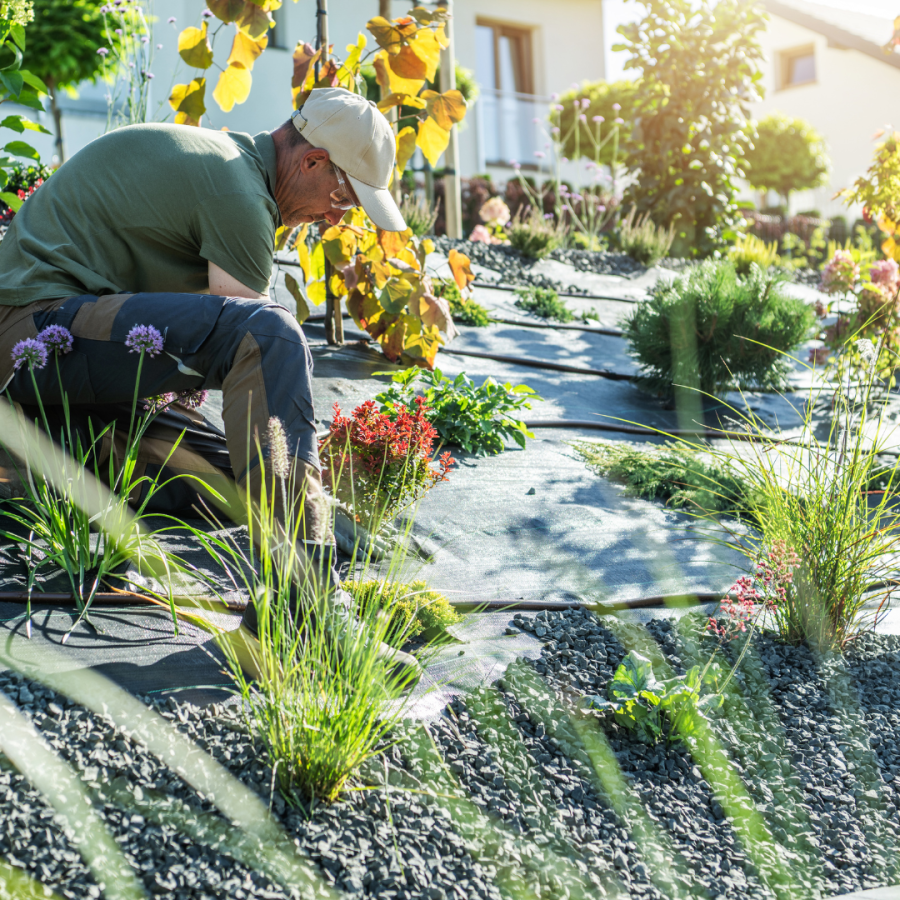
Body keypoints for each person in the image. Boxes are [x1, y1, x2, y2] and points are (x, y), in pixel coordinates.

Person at [0, 86, 421, 681]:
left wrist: (312, 491)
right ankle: (307, 611)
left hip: (65, 359)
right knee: (271, 335)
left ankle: (21, 461)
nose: (336, 217)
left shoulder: (229, 165)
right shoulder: (238, 192)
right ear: (311, 161)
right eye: (343, 198)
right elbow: (253, 350)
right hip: (32, 331)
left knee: (221, 482)